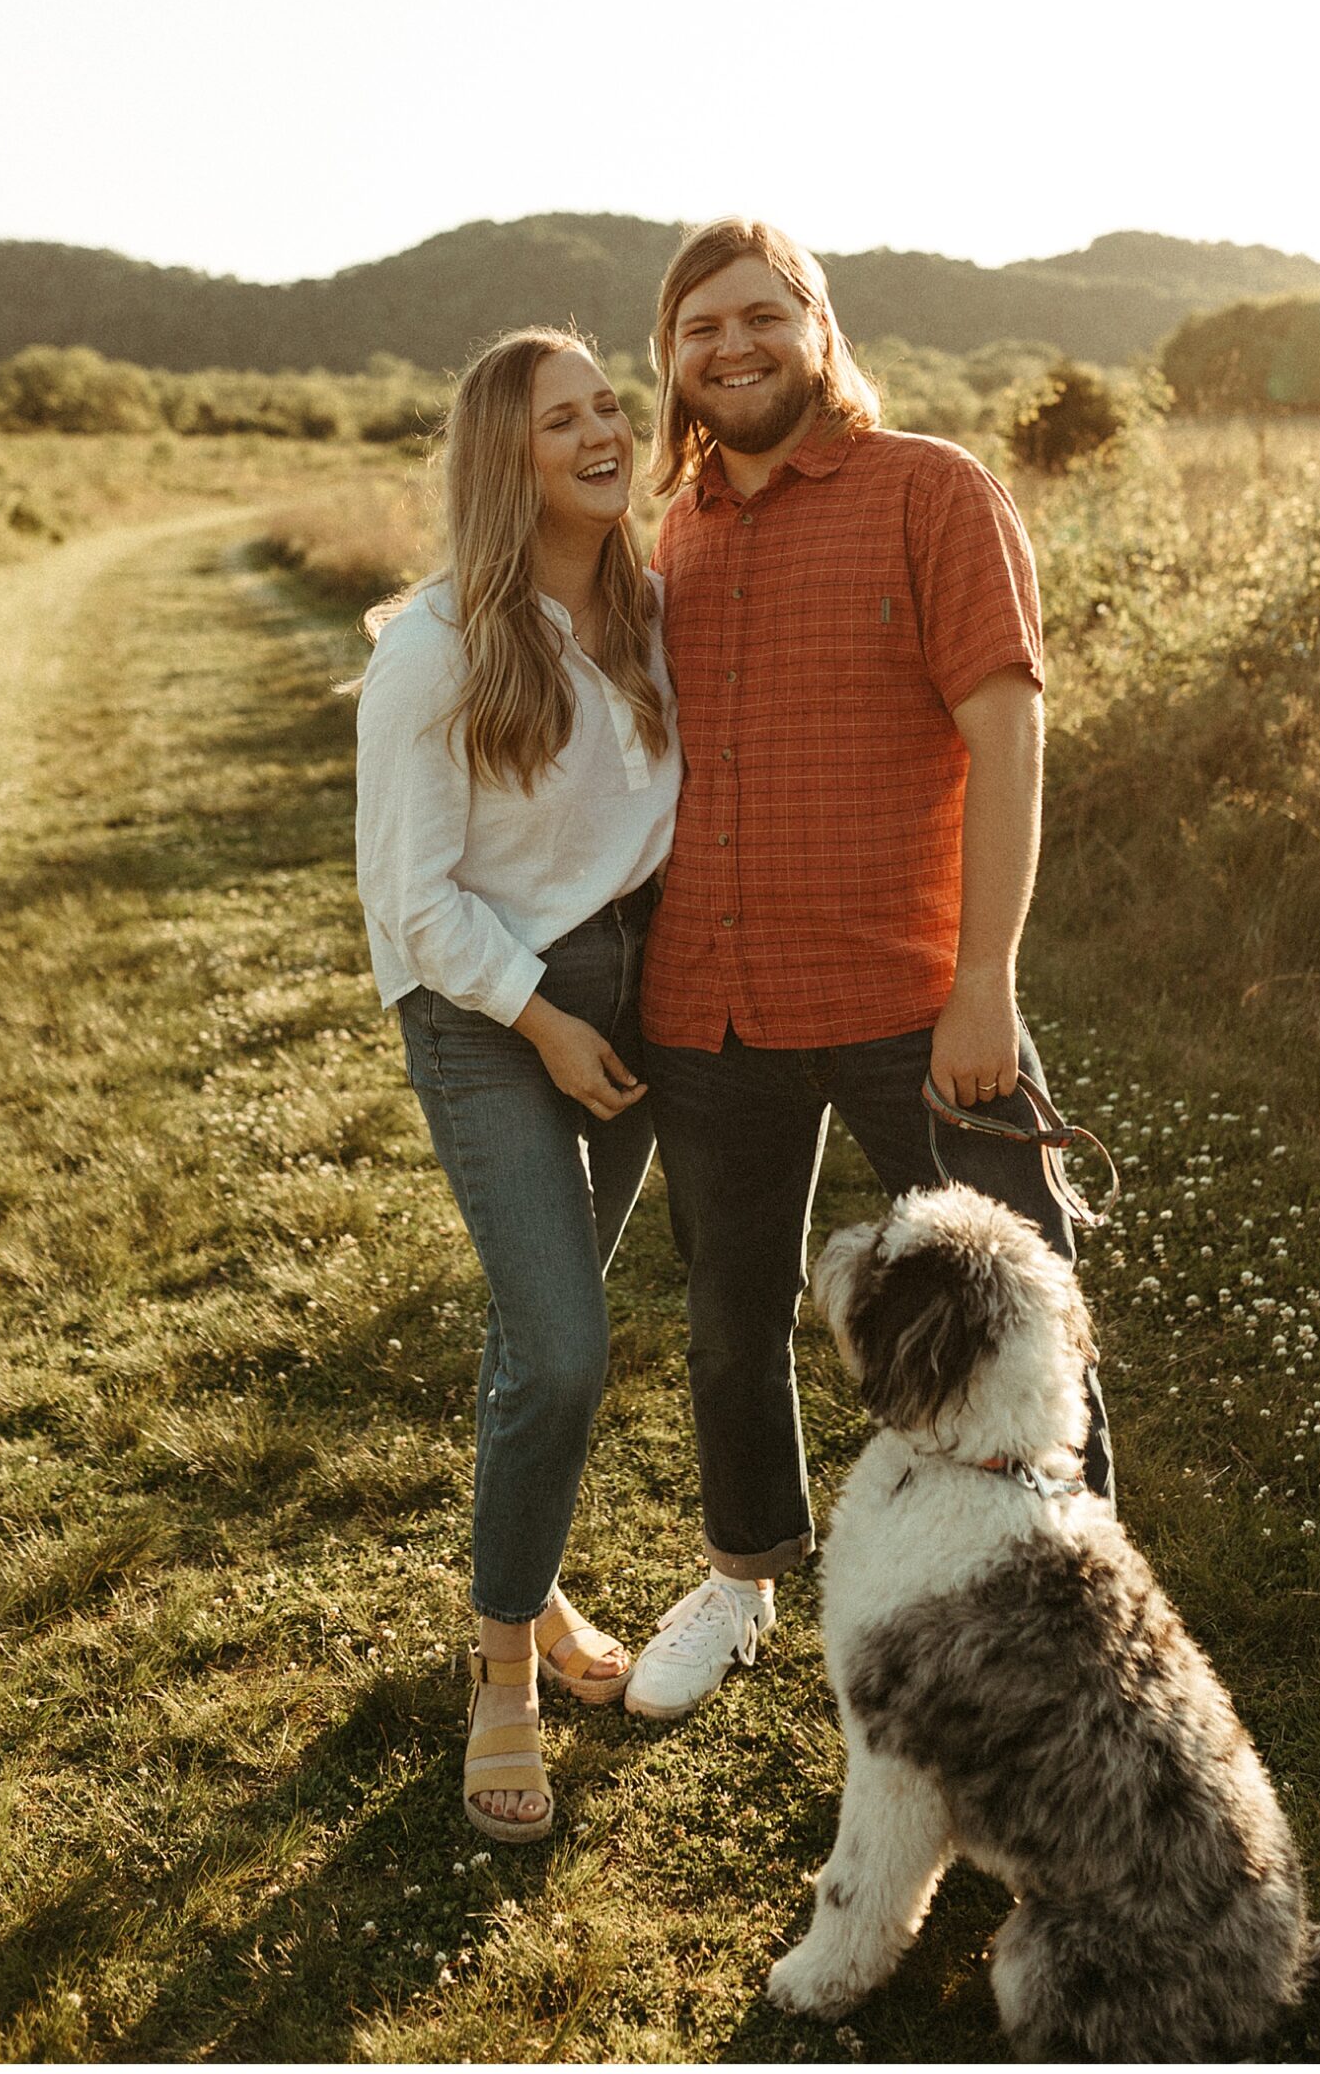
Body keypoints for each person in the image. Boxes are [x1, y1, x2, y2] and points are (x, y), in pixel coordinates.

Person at [621, 219, 1114, 1723]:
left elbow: (1008, 736)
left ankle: (1072, 1599)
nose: (733, 346)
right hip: (713, 999)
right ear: (675, 363)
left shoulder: (932, 489)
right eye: (700, 328)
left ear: (818, 329)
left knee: (1021, 1303)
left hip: (919, 998)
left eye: (762, 316)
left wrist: (988, 980)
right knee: (727, 1310)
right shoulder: (678, 533)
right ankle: (743, 1570)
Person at [354, 325, 680, 1837]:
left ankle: (527, 1584)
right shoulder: (433, 647)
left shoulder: (647, 609)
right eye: (567, 419)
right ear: (509, 454)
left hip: (626, 995)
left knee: (537, 1327)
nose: (607, 432)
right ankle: (506, 1674)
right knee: (558, 1350)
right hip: (490, 1014)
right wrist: (543, 1019)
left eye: (614, 405)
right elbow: (416, 903)